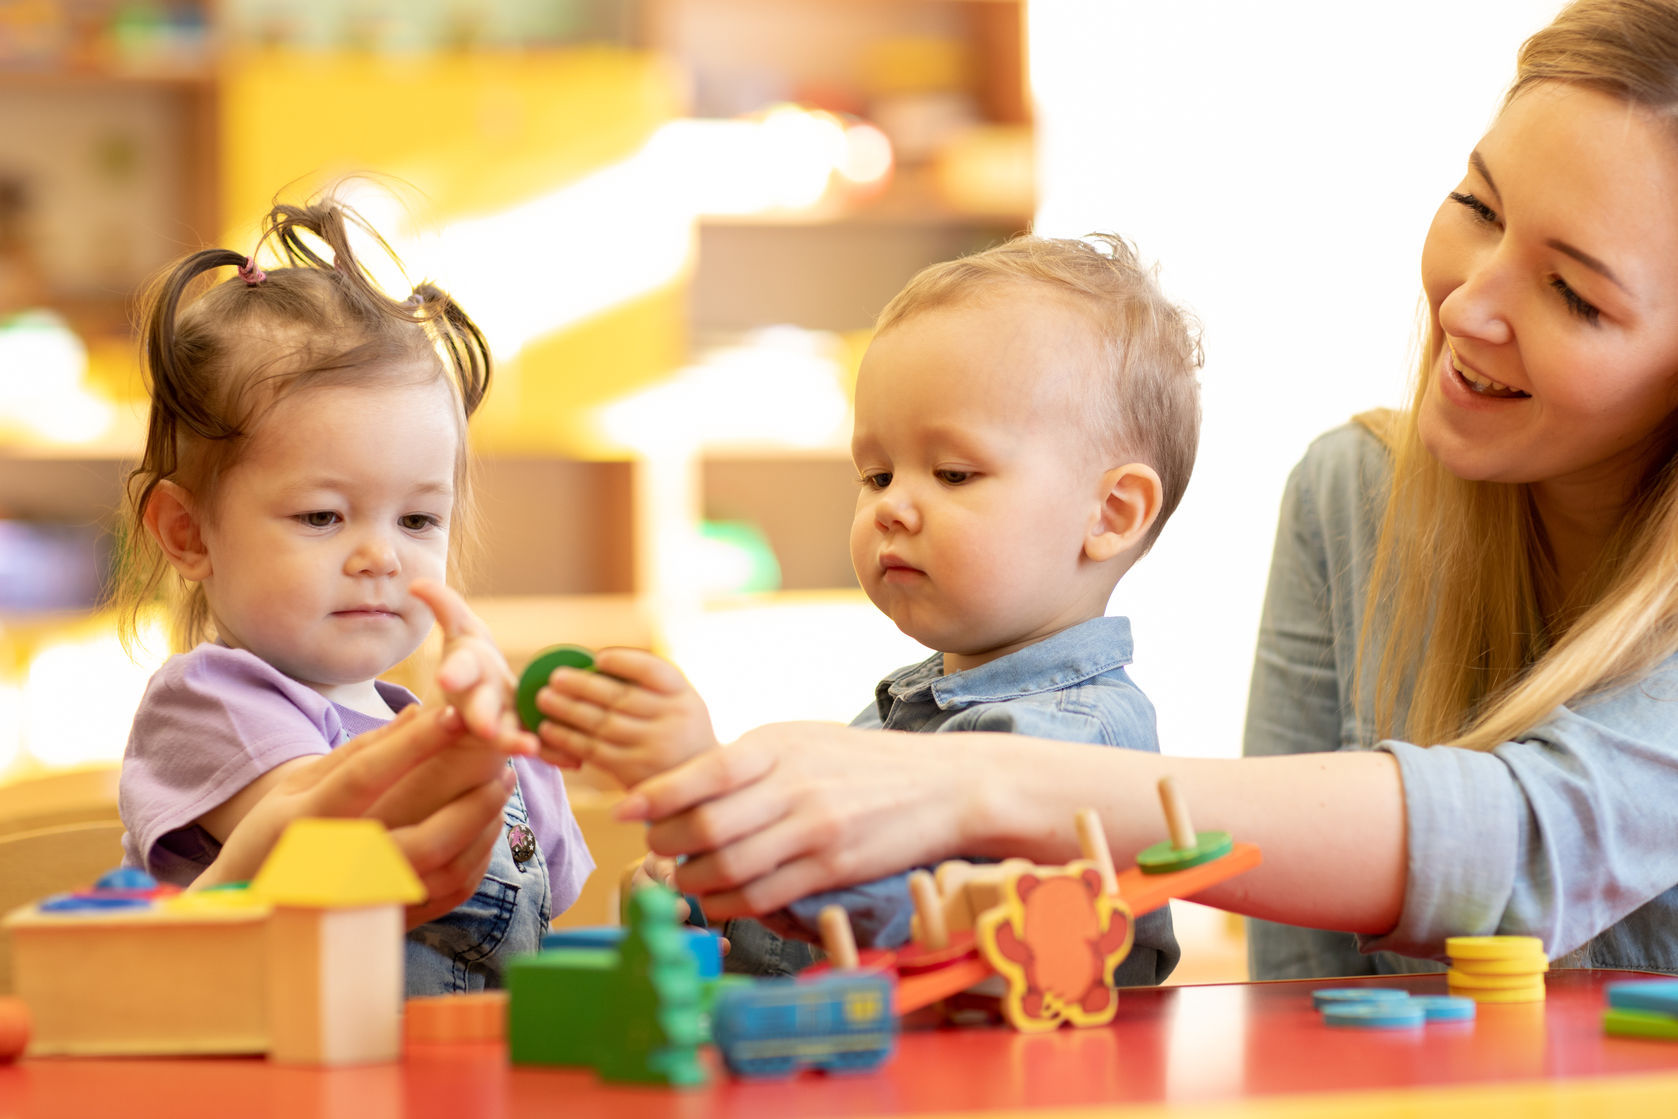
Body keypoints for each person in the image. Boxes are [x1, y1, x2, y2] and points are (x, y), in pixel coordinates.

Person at [599, 0, 1678, 982]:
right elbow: (1300, 983)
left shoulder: (1044, 738)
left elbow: (1528, 845)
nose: (1466, 306)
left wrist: (954, 792)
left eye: (1573, 294)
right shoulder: (1351, 497)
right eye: (1476, 206)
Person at [532, 233, 1203, 984]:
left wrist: (713, 793)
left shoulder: (1075, 743)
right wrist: (697, 897)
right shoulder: (903, 710)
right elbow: (813, 933)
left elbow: (935, 935)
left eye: (952, 472)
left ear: (1111, 512)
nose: (893, 507)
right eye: (876, 474)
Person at [112, 193, 592, 994]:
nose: (379, 554)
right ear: (189, 534)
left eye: (416, 517)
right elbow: (346, 824)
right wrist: (471, 734)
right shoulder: (212, 702)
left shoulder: (432, 726)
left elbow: (559, 932)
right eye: (323, 515)